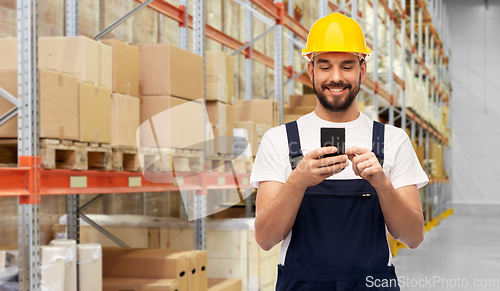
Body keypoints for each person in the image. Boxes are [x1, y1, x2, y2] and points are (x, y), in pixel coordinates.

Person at [249, 13, 429, 290]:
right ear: (310, 71)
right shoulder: (279, 140)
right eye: (325, 67)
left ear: (362, 70)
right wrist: (298, 181)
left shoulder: (393, 140)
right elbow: (265, 238)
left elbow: (414, 237)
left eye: (347, 66)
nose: (336, 78)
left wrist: (381, 183)